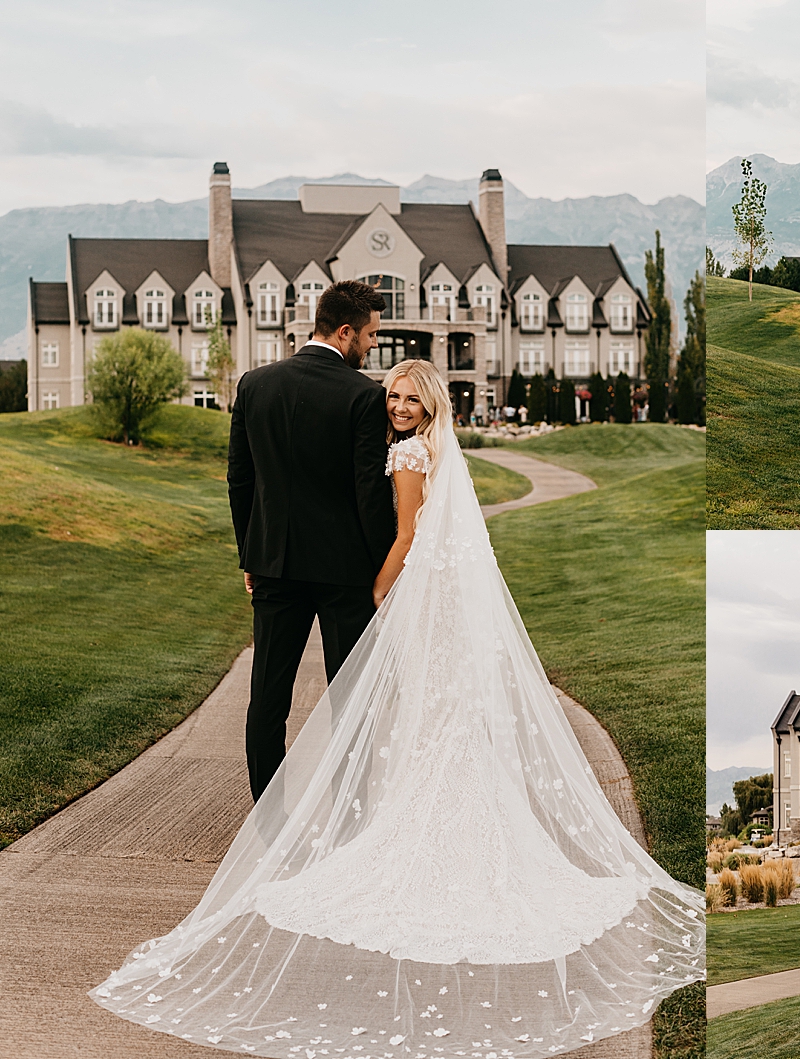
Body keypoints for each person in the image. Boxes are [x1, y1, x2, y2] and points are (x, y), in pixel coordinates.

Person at [93, 359, 705, 1057]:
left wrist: (379, 594)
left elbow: (407, 536)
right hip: (437, 609)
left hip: (408, 598)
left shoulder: (409, 452)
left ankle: (423, 838)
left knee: (425, 724)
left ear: (431, 402)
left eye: (412, 396)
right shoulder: (437, 448)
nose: (400, 404)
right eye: (393, 394)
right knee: (438, 724)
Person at [227, 280, 394, 801]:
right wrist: (384, 570)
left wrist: (250, 557)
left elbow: (240, 480)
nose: (371, 347)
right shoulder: (364, 396)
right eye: (369, 336)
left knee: (268, 698)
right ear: (344, 332)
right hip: (345, 574)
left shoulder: (254, 385)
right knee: (351, 700)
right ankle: (351, 813)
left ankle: (267, 818)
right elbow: (370, 494)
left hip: (274, 564)